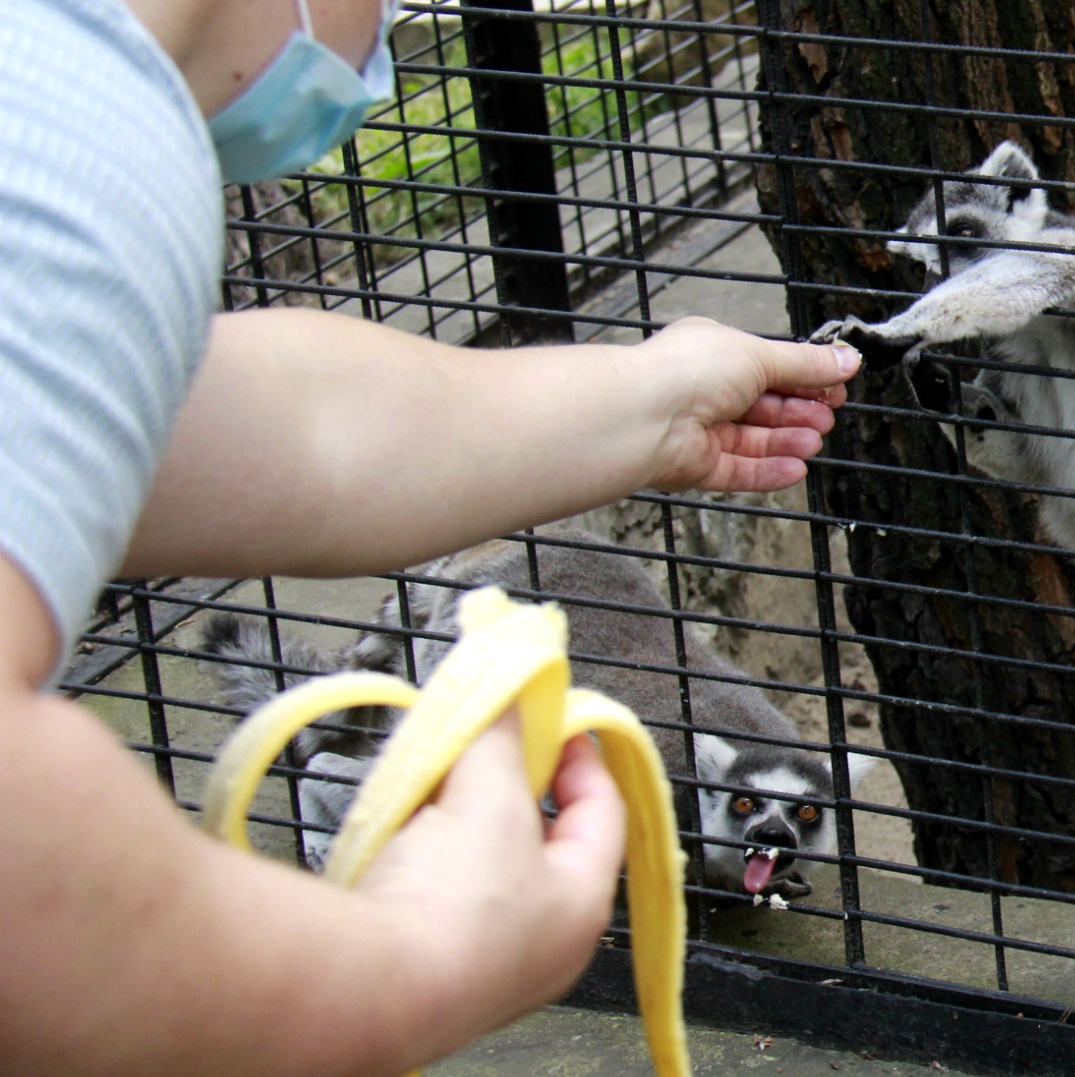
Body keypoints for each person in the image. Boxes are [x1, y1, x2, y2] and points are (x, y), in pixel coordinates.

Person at [0, 1, 860, 1074]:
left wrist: (654, 401)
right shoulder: (74, 123)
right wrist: (400, 971)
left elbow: (292, 430)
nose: (381, 45)